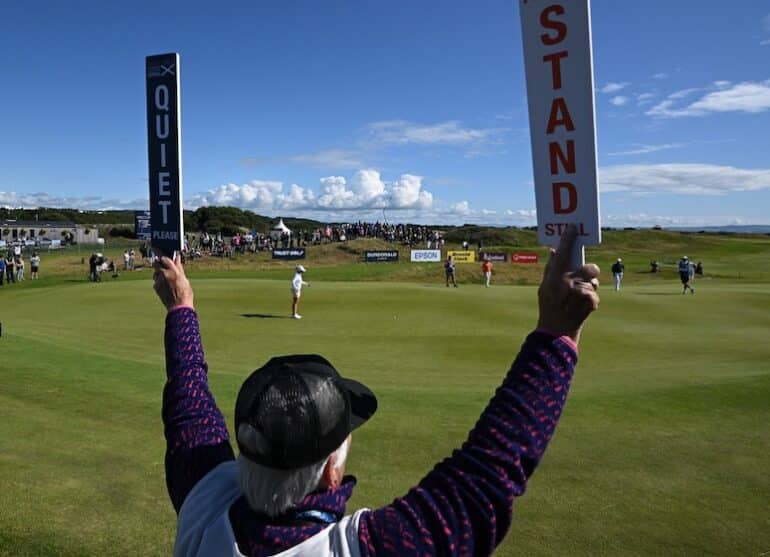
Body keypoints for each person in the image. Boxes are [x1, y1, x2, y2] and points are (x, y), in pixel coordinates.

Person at [152, 225, 600, 556]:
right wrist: (557, 336)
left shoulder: (202, 502)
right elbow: (485, 482)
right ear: (332, 472)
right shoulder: (365, 549)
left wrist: (181, 308)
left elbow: (188, 403)